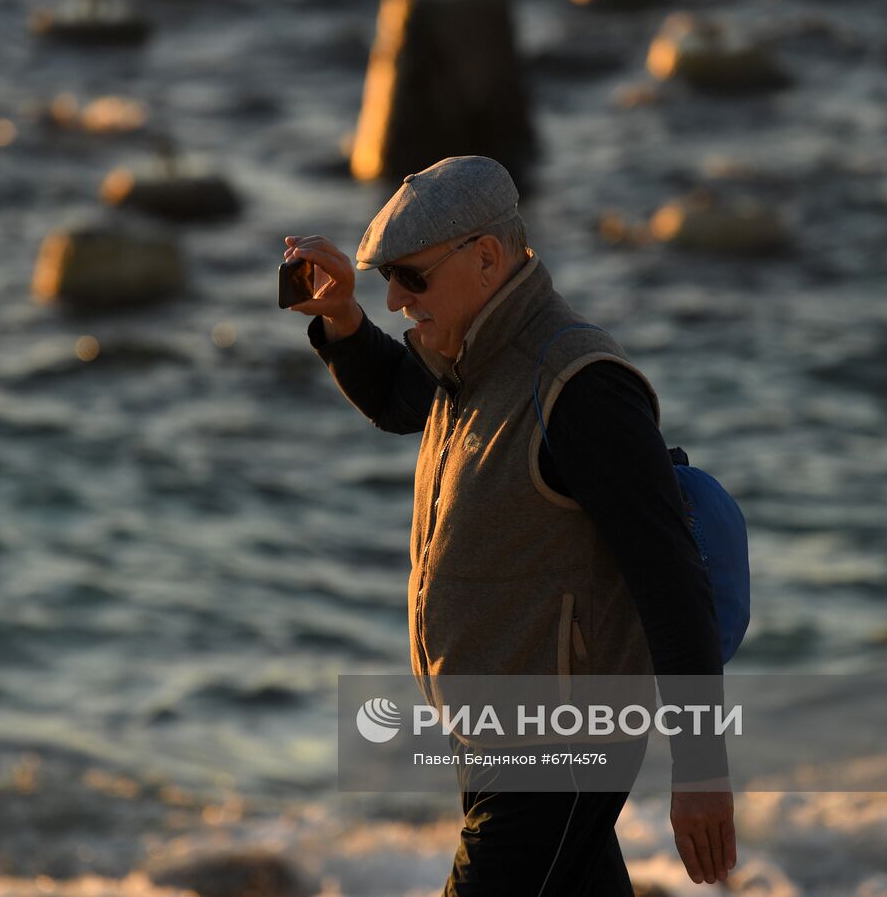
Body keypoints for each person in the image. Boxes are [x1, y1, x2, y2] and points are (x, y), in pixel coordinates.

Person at [284, 156, 736, 895]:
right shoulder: (464, 351)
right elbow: (401, 401)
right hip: (496, 744)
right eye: (387, 278)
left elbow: (671, 576)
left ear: (487, 257)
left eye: (411, 276)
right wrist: (342, 319)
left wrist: (703, 766)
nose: (395, 298)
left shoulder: (580, 384)